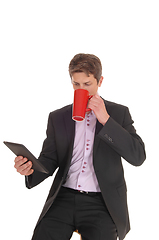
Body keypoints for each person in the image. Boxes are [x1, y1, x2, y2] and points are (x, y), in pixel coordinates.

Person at [14, 53, 146, 240]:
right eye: (76, 84)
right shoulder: (58, 117)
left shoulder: (118, 113)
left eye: (87, 84)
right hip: (64, 198)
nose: (81, 89)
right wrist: (30, 169)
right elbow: (50, 159)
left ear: (100, 81)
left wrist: (105, 119)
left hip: (102, 203)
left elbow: (138, 156)